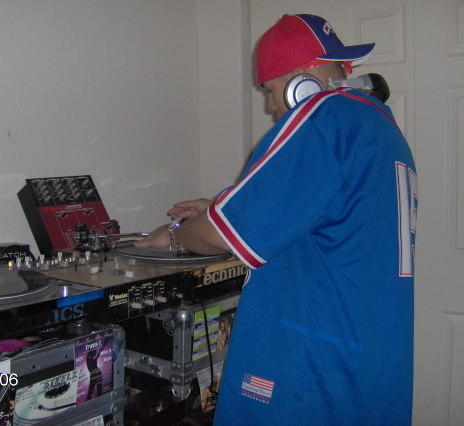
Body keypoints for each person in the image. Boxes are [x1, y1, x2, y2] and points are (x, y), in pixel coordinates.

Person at [136, 13, 417, 425]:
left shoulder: (324, 118)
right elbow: (327, 216)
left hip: (314, 368)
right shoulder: (378, 126)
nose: (270, 107)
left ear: (303, 80)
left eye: (269, 90)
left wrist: (175, 233)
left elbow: (219, 236)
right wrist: (219, 205)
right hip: (369, 358)